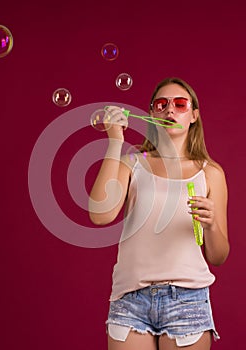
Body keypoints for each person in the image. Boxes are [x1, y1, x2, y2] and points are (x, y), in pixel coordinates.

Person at [88, 77, 229, 350]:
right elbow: (100, 215)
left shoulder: (210, 173)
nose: (170, 111)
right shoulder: (132, 163)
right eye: (161, 104)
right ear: (151, 113)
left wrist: (211, 226)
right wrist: (115, 140)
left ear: (194, 115)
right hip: (130, 299)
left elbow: (218, 256)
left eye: (180, 104)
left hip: (188, 300)